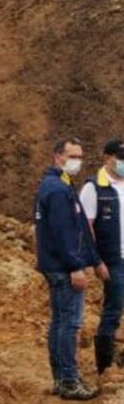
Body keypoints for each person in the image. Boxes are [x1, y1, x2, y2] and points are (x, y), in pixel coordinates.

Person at [35, 137, 107, 400]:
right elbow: (65, 234)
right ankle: (68, 380)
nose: (76, 161)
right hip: (63, 267)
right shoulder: (56, 190)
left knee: (59, 322)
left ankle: (60, 378)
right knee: (69, 323)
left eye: (79, 156)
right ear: (58, 157)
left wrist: (95, 260)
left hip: (55, 264)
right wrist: (76, 266)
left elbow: (77, 230)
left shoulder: (59, 186)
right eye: (72, 155)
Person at [80, 139, 124, 376]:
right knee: (113, 309)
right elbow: (86, 227)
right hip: (113, 260)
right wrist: (96, 261)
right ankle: (105, 370)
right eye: (120, 157)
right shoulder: (94, 187)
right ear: (107, 157)